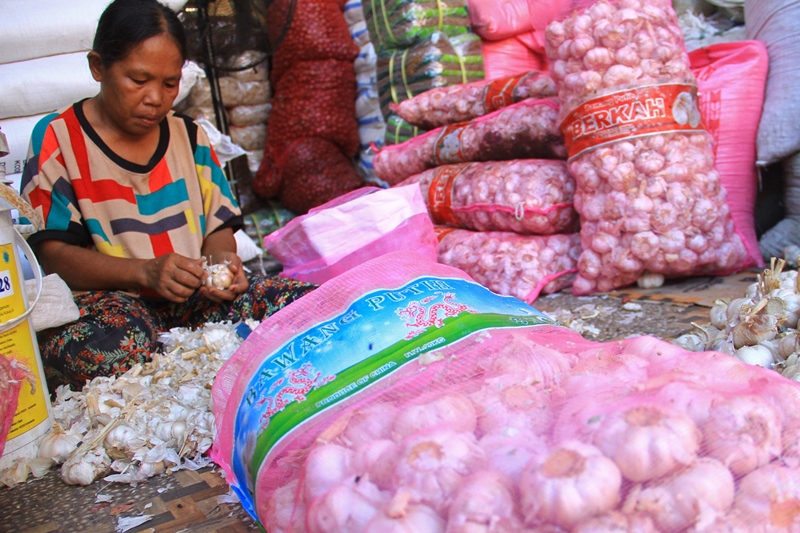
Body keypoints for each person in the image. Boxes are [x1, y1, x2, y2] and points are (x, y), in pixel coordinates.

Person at [20, 0, 315, 392]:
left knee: (305, 305)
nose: (155, 98)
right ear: (98, 67)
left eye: (169, 83)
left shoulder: (190, 137)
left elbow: (218, 226)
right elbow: (52, 253)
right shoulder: (58, 139)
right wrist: (144, 272)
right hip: (115, 308)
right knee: (114, 346)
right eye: (138, 80)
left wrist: (221, 267)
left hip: (191, 301)